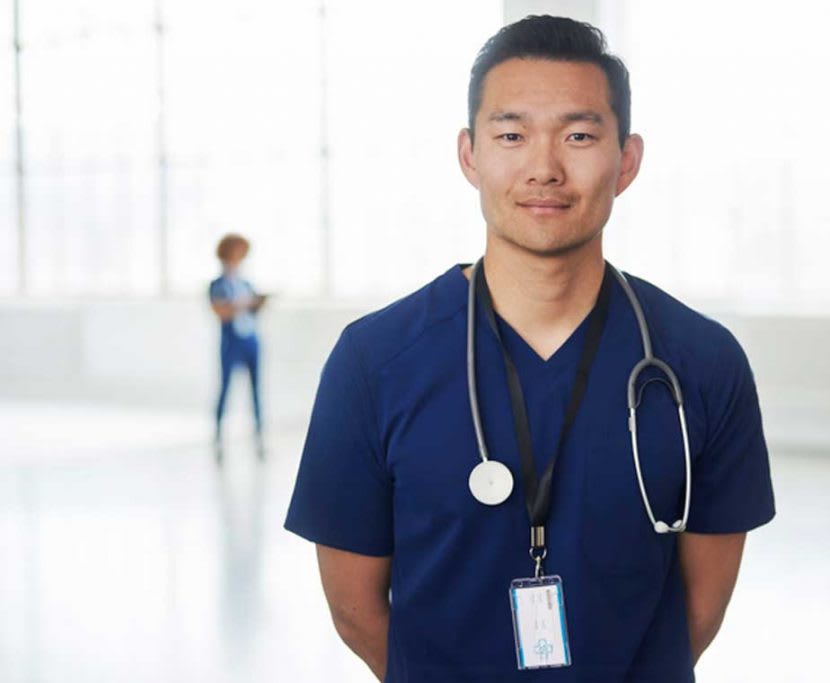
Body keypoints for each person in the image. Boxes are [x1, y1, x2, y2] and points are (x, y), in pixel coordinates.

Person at [285, 15, 775, 682]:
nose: (544, 168)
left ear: (626, 160)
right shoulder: (374, 362)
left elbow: (703, 604)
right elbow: (354, 607)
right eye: (512, 135)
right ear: (470, 155)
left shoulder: (702, 362)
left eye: (578, 135)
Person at [209, 233, 267, 462]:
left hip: (250, 341)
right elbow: (221, 313)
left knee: (256, 391)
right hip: (231, 343)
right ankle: (218, 439)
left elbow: (253, 310)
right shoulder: (217, 285)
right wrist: (243, 304)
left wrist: (257, 303)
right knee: (224, 390)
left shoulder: (247, 284)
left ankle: (259, 439)